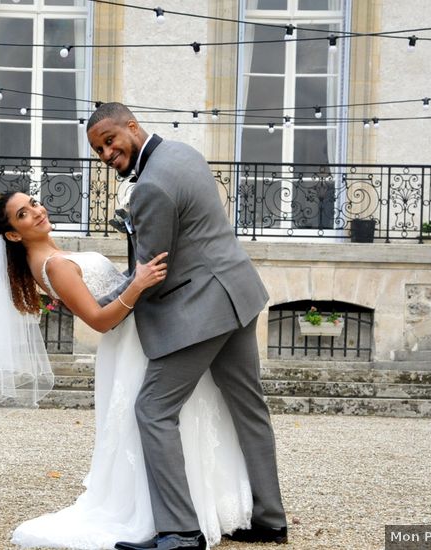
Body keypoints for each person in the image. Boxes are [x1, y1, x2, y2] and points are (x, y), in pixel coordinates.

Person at [0, 190, 254, 549]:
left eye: (33, 203)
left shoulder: (55, 254)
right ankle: (155, 515)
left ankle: (194, 509)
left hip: (142, 334)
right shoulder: (52, 265)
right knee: (151, 422)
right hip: (129, 345)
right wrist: (139, 283)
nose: (36, 212)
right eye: (22, 214)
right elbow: (98, 320)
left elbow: (111, 291)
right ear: (13, 235)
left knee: (179, 416)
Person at [85, 102, 288, 550]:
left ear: (132, 127)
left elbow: (150, 275)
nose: (105, 154)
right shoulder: (183, 153)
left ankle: (179, 531)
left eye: (110, 141)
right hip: (238, 294)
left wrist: (99, 303)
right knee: (248, 407)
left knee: (153, 410)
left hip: (201, 310)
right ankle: (271, 519)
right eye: (99, 149)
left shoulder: (150, 187)